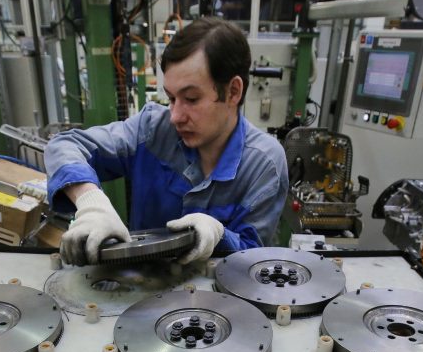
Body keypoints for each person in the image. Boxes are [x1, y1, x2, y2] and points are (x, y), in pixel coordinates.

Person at [45, 17, 289, 266]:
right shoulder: (151, 129)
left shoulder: (264, 164)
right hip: (136, 289)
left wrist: (220, 235)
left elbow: (253, 261)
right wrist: (91, 203)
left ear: (233, 92)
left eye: (191, 99)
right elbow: (64, 146)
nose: (175, 116)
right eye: (172, 98)